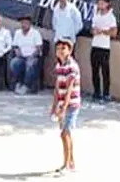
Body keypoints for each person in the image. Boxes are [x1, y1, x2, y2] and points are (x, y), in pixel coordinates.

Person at [50, 38, 81, 174]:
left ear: (70, 50)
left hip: (72, 105)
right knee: (65, 134)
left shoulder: (72, 67)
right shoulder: (59, 66)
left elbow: (69, 89)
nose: (60, 51)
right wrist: (54, 106)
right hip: (63, 104)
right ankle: (71, 163)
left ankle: (66, 165)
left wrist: (63, 108)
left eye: (63, 48)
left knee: (65, 133)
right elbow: (57, 88)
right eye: (58, 49)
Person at [90, 0, 117, 103]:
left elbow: (114, 33)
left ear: (107, 4)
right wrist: (94, 31)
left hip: (104, 47)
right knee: (95, 70)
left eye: (102, 3)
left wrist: (103, 32)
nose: (100, 5)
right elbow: (92, 29)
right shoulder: (96, 15)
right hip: (95, 46)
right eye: (99, 3)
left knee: (105, 71)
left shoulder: (111, 17)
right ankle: (96, 92)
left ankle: (106, 93)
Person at [9, 16, 43, 95]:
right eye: (22, 23)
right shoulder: (18, 33)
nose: (23, 25)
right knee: (14, 63)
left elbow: (39, 48)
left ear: (29, 24)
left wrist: (32, 56)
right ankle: (19, 83)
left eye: (25, 23)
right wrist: (17, 52)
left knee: (30, 64)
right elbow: (15, 46)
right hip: (21, 57)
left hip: (32, 56)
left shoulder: (35, 33)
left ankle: (26, 86)